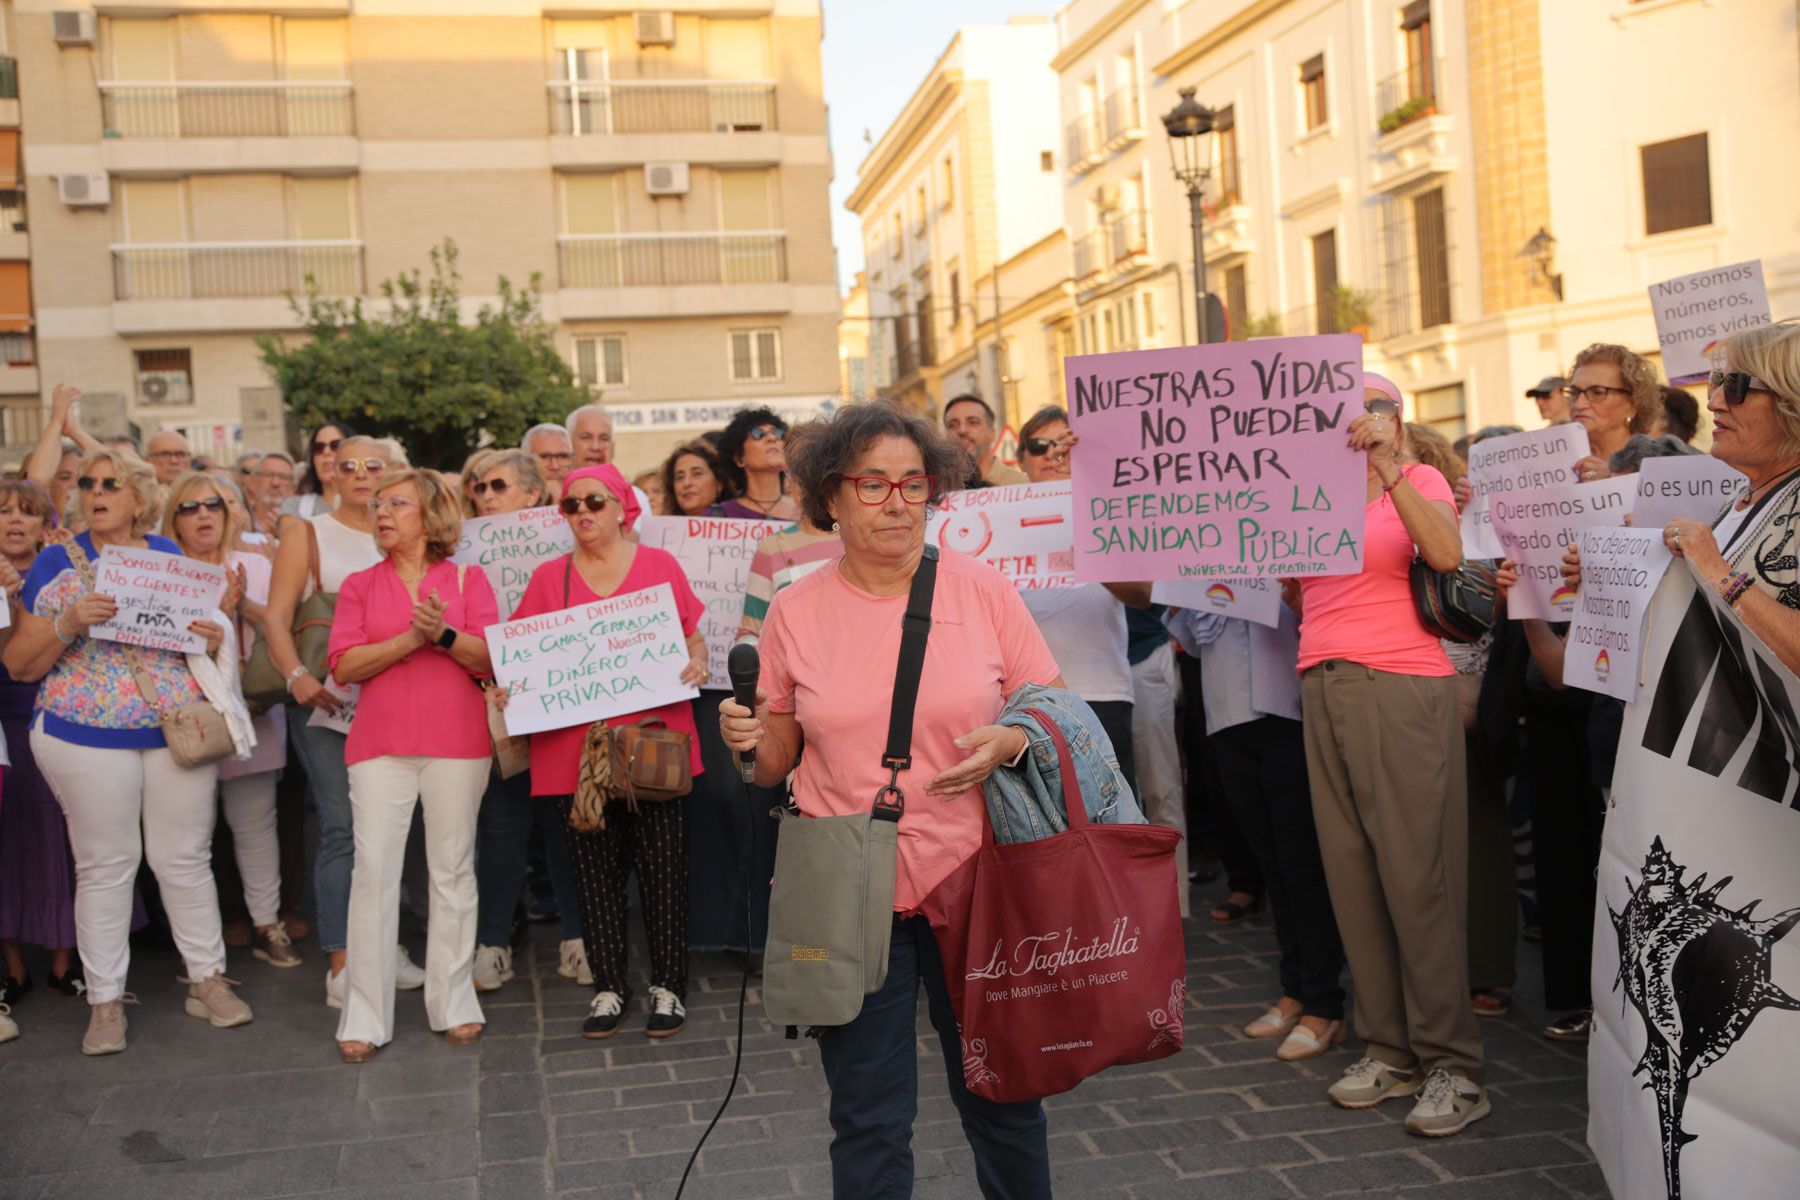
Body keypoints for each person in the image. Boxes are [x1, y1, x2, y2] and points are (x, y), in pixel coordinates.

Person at [719, 402, 1063, 1197]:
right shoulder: (796, 611)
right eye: (873, 484)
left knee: (1003, 1097)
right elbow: (774, 763)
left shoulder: (981, 591)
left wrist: (1012, 741)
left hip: (974, 881)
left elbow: (1051, 703)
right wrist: (747, 737)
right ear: (829, 497)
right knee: (868, 1116)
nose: (897, 501)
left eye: (913, 483)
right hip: (845, 889)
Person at [5, 449, 252, 1055]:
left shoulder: (169, 558)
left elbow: (194, 639)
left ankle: (208, 979)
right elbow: (17, 665)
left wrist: (214, 630)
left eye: (111, 484)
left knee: (185, 858)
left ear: (139, 498)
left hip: (173, 731)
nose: (97, 492)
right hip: (82, 732)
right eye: (87, 483)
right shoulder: (55, 563)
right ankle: (105, 1001)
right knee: (106, 865)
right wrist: (68, 622)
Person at [1297, 374, 1487, 1136]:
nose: (1357, 424)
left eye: (1374, 412)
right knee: (1353, 875)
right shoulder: (1306, 497)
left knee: (1419, 877)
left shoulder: (1419, 477)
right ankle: (1389, 1047)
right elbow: (1304, 595)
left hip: (1401, 685)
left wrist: (1389, 469)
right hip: (1322, 682)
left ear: (1393, 421)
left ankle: (1454, 1065)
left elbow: (1444, 553)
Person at [507, 465, 710, 1039]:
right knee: (591, 876)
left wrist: (696, 659)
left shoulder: (658, 567)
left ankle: (669, 986)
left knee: (664, 872)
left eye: (594, 501)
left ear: (622, 507)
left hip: (652, 746)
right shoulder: (549, 578)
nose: (583, 514)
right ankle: (609, 987)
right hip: (578, 755)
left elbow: (692, 634)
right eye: (570, 506)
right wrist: (509, 687)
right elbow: (522, 656)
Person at [328, 469, 496, 1062]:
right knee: (373, 873)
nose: (381, 512)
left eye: (396, 503)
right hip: (378, 747)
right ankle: (364, 1015)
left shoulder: (469, 578)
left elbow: (492, 659)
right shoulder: (357, 585)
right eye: (378, 504)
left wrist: (444, 634)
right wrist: (411, 638)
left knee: (451, 872)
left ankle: (454, 1004)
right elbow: (344, 667)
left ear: (430, 516)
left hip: (458, 742)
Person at [266, 435, 426, 1008]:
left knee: (394, 830)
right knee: (341, 827)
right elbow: (277, 619)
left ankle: (387, 949)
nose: (360, 475)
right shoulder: (306, 534)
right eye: (347, 465)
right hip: (327, 708)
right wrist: (296, 680)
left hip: (397, 705)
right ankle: (342, 961)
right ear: (329, 471)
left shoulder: (408, 532)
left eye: (373, 466)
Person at [1165, 588, 1346, 1062]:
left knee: (1301, 864)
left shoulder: (1287, 541)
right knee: (1273, 865)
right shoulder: (1205, 551)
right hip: (1228, 720)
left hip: (1288, 712)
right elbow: (1195, 638)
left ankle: (1325, 1004)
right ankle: (1296, 991)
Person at [162, 472, 301, 969]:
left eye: (213, 505)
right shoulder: (163, 571)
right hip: (183, 720)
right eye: (189, 506)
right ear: (173, 519)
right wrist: (216, 619)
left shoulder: (255, 567)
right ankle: (198, 950)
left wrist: (241, 606)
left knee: (255, 822)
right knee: (189, 836)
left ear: (229, 513)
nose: (203, 514)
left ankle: (268, 923)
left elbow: (284, 628)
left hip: (253, 712)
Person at [467, 447, 571, 993]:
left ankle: (577, 939)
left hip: (559, 701)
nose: (486, 496)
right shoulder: (461, 554)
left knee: (562, 819)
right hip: (492, 701)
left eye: (498, 486)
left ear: (533, 495)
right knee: (502, 824)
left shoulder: (568, 551)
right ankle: (492, 943)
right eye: (480, 488)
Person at [1014, 405, 1145, 792]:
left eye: (1065, 446)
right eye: (1040, 446)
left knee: (1113, 820)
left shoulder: (1111, 511)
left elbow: (1143, 595)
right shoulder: (997, 520)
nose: (1053, 455)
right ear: (1021, 460)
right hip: (1029, 704)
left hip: (1102, 692)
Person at [0, 481, 88, 1007]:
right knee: (8, 843)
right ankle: (13, 968)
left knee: (61, 839)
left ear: (43, 524)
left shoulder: (59, 568)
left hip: (54, 710)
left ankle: (63, 962)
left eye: (27, 513)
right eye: (4, 511)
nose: (14, 520)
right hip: (3, 721)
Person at [1567, 344, 1660, 481]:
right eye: (1574, 392)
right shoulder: (1555, 463)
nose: (1579, 404)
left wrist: (1613, 479)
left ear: (1633, 404)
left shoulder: (1657, 464)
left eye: (1597, 392)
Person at [24, 384, 102, 524]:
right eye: (65, 478)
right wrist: (56, 421)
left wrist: (75, 432)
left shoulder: (107, 524)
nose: (75, 485)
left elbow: (128, 471)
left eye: (84, 480)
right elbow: (36, 481)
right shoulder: (40, 529)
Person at [717, 408, 802, 521]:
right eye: (758, 434)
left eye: (778, 433)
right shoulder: (719, 516)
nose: (772, 438)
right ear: (739, 459)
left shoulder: (808, 513)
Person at [943, 394, 1027, 486]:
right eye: (953, 425)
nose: (962, 430)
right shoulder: (936, 490)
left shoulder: (1023, 485)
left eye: (973, 422)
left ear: (992, 433)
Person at [285, 422, 354, 520]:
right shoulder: (295, 507)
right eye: (318, 447)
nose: (326, 452)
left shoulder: (372, 505)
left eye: (336, 445)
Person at [658, 439, 734, 518]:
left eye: (697, 474)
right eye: (680, 477)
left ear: (719, 483)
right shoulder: (661, 528)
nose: (686, 483)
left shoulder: (741, 523)